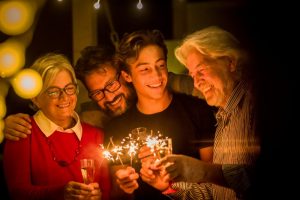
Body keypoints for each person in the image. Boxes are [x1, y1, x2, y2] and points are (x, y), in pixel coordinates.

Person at [139, 26, 261, 200]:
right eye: (193, 75)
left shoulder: (255, 104)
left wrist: (202, 170)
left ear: (230, 62)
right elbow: (215, 193)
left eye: (201, 71)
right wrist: (168, 187)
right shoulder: (223, 116)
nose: (197, 84)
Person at [105, 29, 217, 200]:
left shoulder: (198, 111)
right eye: (145, 69)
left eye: (160, 65)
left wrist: (173, 183)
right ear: (127, 75)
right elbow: (118, 193)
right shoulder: (117, 128)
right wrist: (125, 187)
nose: (156, 75)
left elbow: (215, 182)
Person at [3, 53, 111, 200]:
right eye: (53, 91)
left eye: (69, 88)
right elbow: (17, 193)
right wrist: (61, 193)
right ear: (35, 98)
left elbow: (106, 191)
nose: (64, 97)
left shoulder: (96, 134)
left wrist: (98, 196)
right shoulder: (21, 132)